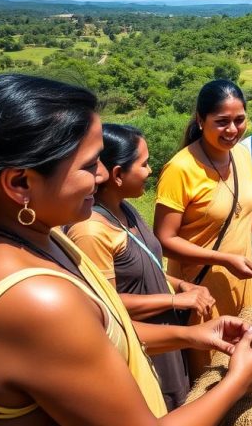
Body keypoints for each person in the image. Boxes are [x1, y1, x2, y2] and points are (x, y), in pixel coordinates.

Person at [0, 73, 252, 425]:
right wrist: (238, 379)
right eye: (89, 165)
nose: (103, 176)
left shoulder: (20, 241)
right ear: (20, 184)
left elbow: (98, 337)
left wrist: (192, 336)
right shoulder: (34, 300)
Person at [66, 124, 217, 410]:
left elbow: (147, 269)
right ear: (118, 175)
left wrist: (182, 284)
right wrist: (174, 299)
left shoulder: (126, 210)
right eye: (144, 164)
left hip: (165, 336)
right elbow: (104, 308)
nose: (150, 170)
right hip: (142, 344)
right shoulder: (91, 232)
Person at [154, 80, 252, 378]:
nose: (232, 129)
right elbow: (163, 240)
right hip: (203, 292)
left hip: (244, 283)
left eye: (239, 120)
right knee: (211, 376)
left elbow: (242, 213)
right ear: (201, 121)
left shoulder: (241, 156)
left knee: (247, 364)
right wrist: (225, 260)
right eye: (222, 122)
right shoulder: (180, 169)